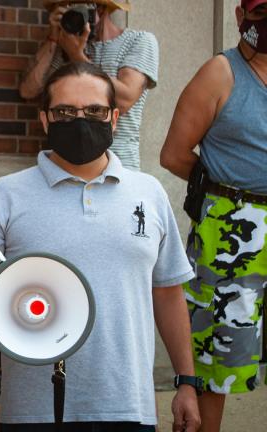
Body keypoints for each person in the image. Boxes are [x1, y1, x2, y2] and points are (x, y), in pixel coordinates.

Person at [0, 62, 201, 432]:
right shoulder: (5, 195)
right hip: (34, 410)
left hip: (128, 405)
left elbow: (168, 292)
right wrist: (7, 280)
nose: (80, 120)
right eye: (64, 112)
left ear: (114, 118)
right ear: (45, 119)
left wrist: (186, 382)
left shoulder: (149, 193)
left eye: (94, 111)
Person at [159, 1, 267, 430]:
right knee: (214, 361)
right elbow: (173, 154)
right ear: (241, 17)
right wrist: (229, 190)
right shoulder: (221, 73)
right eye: (261, 11)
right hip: (231, 230)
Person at [19, 0, 158, 170]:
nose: (76, 13)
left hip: (119, 167)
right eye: (69, 8)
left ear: (101, 8)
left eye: (81, 7)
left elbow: (124, 101)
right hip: (63, 168)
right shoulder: (65, 45)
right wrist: (53, 39)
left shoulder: (138, 41)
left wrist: (76, 56)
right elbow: (28, 90)